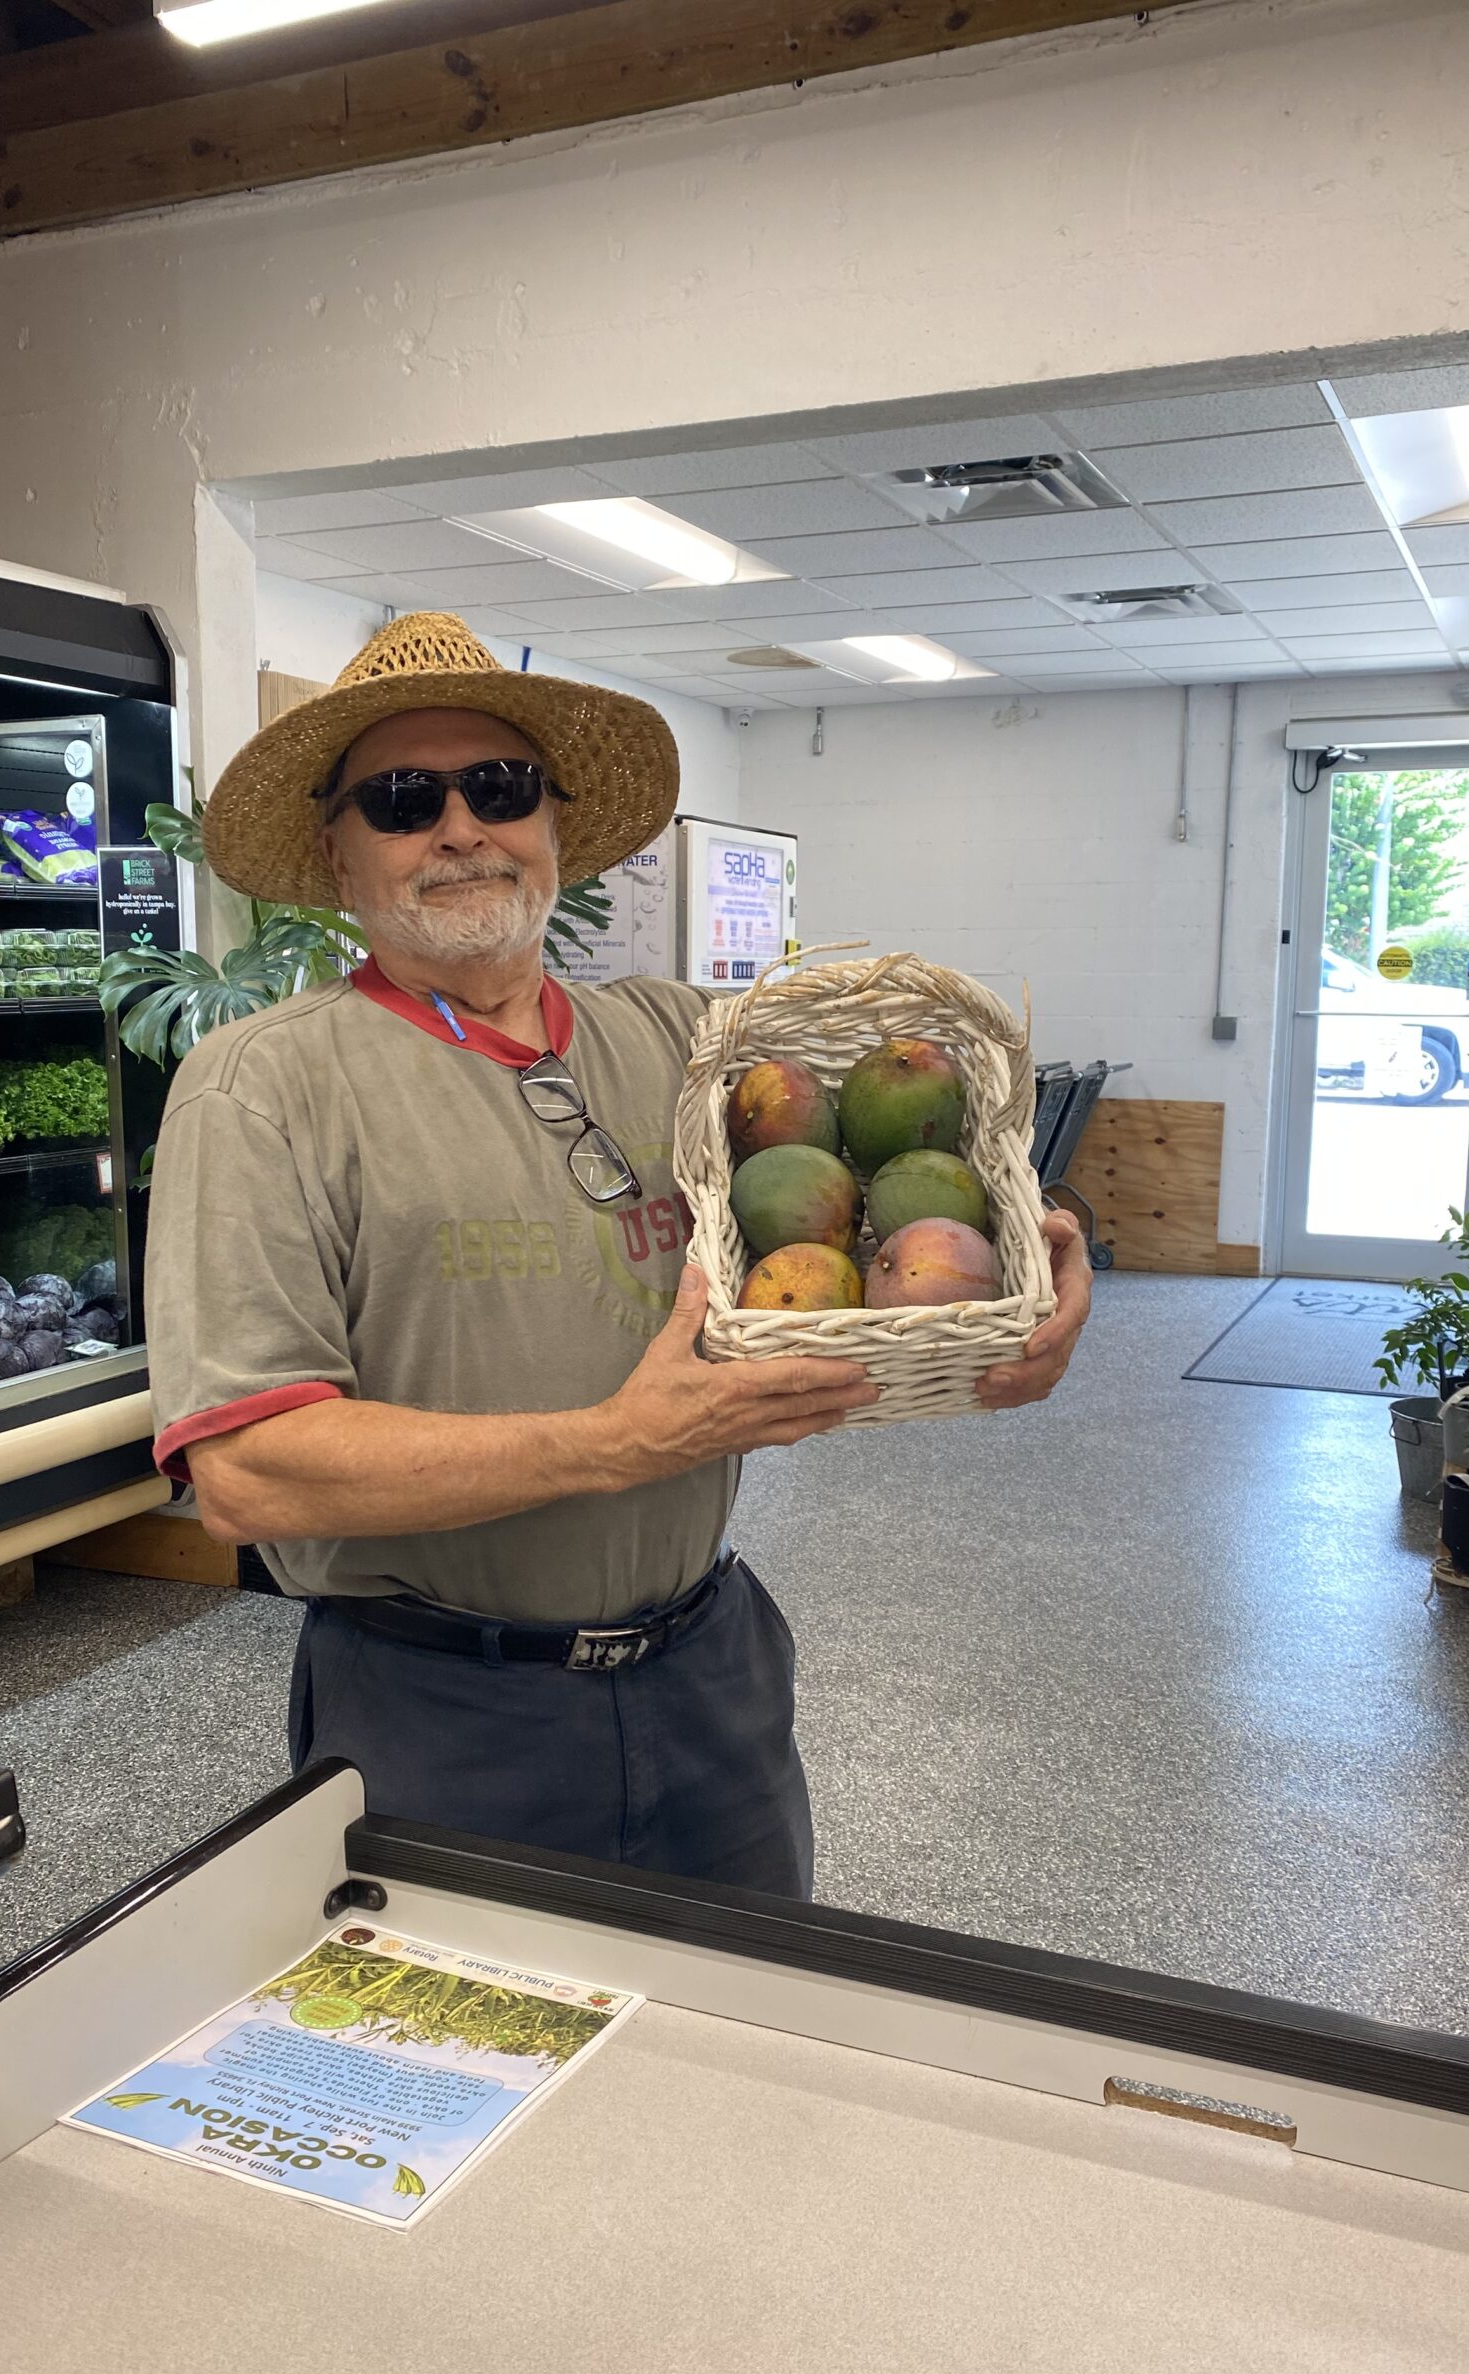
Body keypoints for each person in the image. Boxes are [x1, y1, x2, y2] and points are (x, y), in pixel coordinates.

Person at [146, 613, 1091, 1897]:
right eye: (404, 798)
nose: (462, 826)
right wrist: (610, 1442)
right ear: (336, 850)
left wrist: (1031, 1267)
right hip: (440, 1711)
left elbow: (897, 1173)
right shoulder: (263, 1087)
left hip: (715, 1681)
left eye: (501, 786)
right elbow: (249, 1474)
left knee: (748, 2059)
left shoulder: (684, 1042)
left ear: (553, 825)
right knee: (469, 2081)